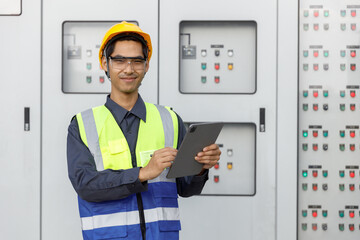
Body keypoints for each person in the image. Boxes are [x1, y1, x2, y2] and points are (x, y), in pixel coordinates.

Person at [67, 21, 221, 240]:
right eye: (119, 60)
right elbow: (85, 185)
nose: (129, 69)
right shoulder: (82, 125)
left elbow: (186, 188)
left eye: (137, 61)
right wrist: (142, 174)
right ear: (105, 63)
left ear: (146, 65)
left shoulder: (170, 120)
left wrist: (201, 167)